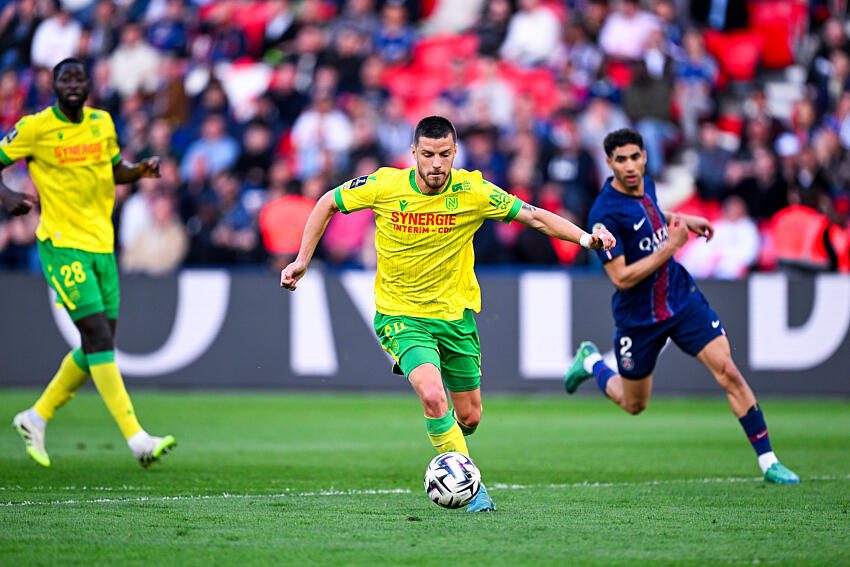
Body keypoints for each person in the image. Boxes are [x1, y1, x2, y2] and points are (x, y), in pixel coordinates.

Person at [281, 116, 615, 511]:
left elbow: (534, 216)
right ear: (413, 154)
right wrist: (303, 259)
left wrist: (584, 237)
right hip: (401, 315)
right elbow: (326, 203)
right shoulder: (385, 185)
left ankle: (451, 446)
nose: (436, 163)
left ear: (455, 153)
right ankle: (472, 490)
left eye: (444, 154)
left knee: (469, 417)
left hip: (456, 318)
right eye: (427, 154)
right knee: (433, 396)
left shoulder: (473, 190)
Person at [564, 128, 799, 484]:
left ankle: (769, 461)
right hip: (639, 317)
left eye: (635, 157)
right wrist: (672, 247)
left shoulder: (648, 184)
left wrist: (686, 221)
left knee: (729, 372)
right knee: (634, 404)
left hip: (681, 298)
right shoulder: (605, 215)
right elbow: (622, 278)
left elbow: (652, 212)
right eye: (621, 160)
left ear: (644, 156)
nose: (630, 166)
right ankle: (592, 362)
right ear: (609, 163)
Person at [0, 58, 176, 468]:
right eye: (66, 79)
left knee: (97, 344)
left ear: (90, 85)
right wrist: (6, 195)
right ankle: (137, 439)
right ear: (54, 85)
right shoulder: (35, 128)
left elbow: (114, 170)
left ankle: (35, 417)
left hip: (102, 245)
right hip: (62, 243)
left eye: (80, 78)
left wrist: (139, 171)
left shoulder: (103, 123)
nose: (74, 85)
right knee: (97, 335)